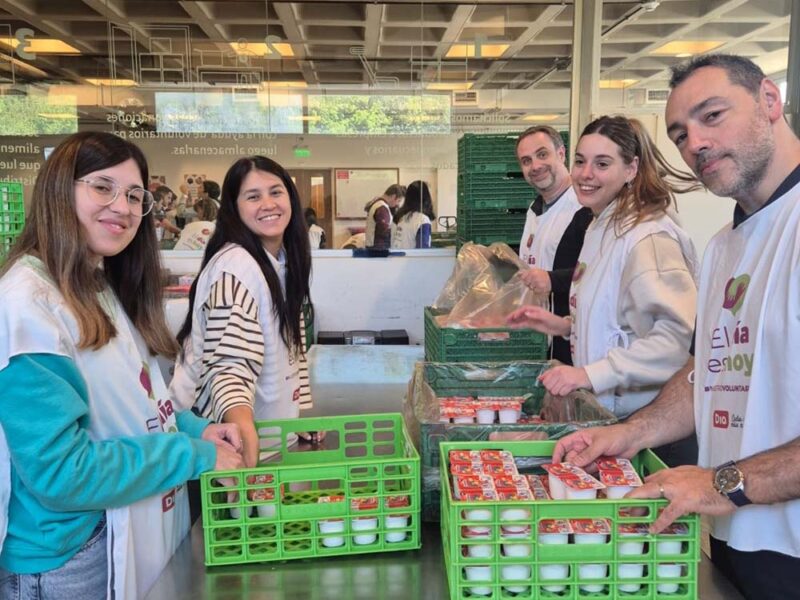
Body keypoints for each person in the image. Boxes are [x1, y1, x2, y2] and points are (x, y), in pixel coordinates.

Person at [552, 55, 800, 600]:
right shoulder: (723, 248)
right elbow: (705, 371)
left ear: (769, 99)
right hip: (736, 535)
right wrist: (630, 433)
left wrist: (721, 482)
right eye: (681, 134)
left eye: (713, 115)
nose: (697, 143)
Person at [0, 131, 244, 599]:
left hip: (125, 526)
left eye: (134, 196)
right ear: (59, 190)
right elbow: (61, 474)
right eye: (102, 187)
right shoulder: (27, 306)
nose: (123, 207)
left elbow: (134, 400)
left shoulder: (96, 282)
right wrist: (193, 456)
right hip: (70, 557)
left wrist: (198, 431)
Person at [508, 116, 698, 424]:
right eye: (581, 161)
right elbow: (617, 321)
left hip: (647, 419)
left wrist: (589, 374)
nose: (586, 174)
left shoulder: (647, 237)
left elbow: (676, 341)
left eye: (602, 164)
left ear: (631, 169)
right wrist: (564, 326)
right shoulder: (600, 226)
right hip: (609, 414)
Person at [171, 156, 313, 469]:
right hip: (224, 449)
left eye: (275, 192)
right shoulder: (236, 267)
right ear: (234, 208)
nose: (268, 204)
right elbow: (229, 366)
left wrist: (293, 424)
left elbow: (291, 350)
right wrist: (245, 438)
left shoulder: (280, 260)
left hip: (268, 444)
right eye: (253, 196)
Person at [516, 125, 594, 364]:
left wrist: (552, 279)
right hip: (542, 339)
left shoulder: (584, 209)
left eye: (542, 154)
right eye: (526, 161)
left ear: (561, 153)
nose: (535, 166)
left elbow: (598, 272)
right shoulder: (535, 210)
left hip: (577, 345)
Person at [391, 180, 434, 249]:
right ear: (425, 197)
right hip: (410, 256)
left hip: (396, 255)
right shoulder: (422, 220)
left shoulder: (399, 217)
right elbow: (423, 251)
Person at [364, 183, 405, 250]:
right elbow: (384, 232)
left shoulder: (378, 203)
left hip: (374, 247)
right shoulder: (382, 208)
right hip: (378, 249)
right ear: (393, 196)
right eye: (398, 201)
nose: (397, 204)